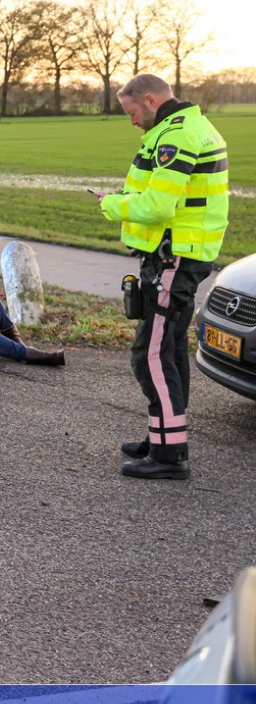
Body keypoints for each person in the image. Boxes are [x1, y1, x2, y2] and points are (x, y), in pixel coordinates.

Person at [96, 73, 228, 481]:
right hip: (182, 253)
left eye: (132, 112)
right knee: (168, 349)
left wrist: (112, 204)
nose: (132, 121)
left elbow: (157, 206)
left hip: (174, 257)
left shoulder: (177, 136)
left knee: (149, 354)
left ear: (150, 100)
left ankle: (171, 456)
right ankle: (163, 436)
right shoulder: (191, 126)